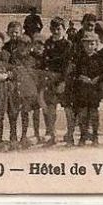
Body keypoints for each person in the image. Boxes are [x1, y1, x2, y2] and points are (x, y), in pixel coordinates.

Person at [68, 31, 103, 146]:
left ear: (96, 45)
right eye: (86, 44)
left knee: (94, 113)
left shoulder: (99, 58)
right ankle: (83, 136)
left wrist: (97, 78)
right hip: (82, 89)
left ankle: (95, 135)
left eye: (92, 44)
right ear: (83, 45)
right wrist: (81, 77)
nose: (89, 46)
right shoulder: (79, 58)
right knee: (82, 113)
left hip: (94, 90)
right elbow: (75, 72)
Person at [41, 17, 73, 145]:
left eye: (59, 29)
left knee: (68, 109)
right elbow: (44, 62)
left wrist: (64, 82)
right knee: (51, 108)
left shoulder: (68, 45)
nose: (56, 31)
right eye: (53, 29)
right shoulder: (47, 43)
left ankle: (70, 134)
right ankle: (51, 134)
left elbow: (69, 65)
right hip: (50, 81)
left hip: (64, 80)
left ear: (64, 30)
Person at [7, 34, 39, 149]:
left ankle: (24, 136)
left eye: (25, 45)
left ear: (29, 46)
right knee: (13, 113)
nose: (22, 47)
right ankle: (13, 134)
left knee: (25, 113)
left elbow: (35, 75)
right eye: (20, 44)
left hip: (27, 89)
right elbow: (9, 69)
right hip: (15, 88)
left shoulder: (32, 59)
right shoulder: (12, 57)